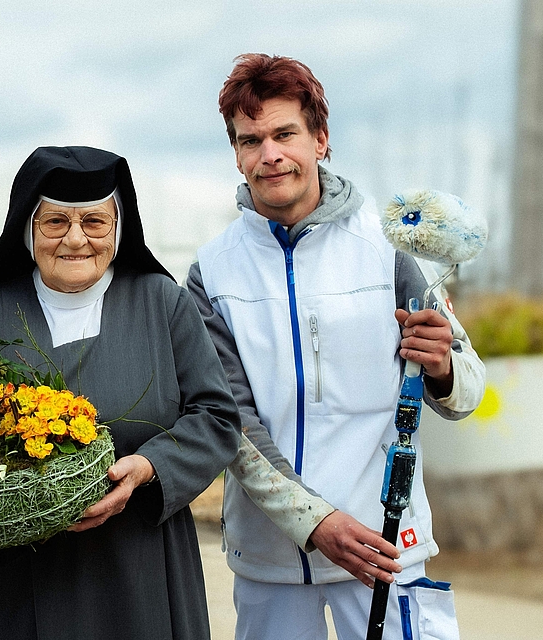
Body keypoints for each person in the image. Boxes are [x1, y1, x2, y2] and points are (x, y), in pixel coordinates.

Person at [0, 145, 243, 639]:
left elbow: (216, 417)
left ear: (118, 227)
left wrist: (148, 467)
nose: (75, 239)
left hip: (144, 568)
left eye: (94, 221)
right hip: (29, 581)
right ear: (27, 229)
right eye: (55, 222)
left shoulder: (163, 304)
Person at [186, 53, 486, 640]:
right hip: (270, 563)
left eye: (284, 134)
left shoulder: (391, 249)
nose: (270, 154)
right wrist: (314, 521)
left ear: (320, 139)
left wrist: (443, 367)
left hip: (386, 550)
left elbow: (467, 391)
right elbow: (230, 421)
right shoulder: (211, 273)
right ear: (237, 153)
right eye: (251, 140)